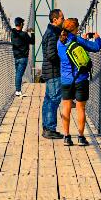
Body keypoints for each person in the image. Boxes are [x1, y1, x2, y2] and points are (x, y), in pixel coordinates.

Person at [56, 18, 101, 146]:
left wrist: (81, 40)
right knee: (80, 108)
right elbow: (96, 47)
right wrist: (97, 38)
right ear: (75, 29)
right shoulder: (77, 40)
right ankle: (81, 137)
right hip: (81, 79)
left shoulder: (59, 42)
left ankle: (66, 137)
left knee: (66, 107)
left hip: (66, 80)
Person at [37, 9, 65, 138]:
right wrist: (64, 59)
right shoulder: (53, 34)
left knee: (48, 100)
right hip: (53, 71)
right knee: (54, 100)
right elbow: (51, 54)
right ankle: (50, 129)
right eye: (62, 18)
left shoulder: (50, 32)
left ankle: (47, 127)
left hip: (49, 71)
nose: (63, 21)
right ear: (55, 20)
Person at [9, 17, 34, 94]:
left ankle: (18, 89)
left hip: (16, 57)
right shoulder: (25, 35)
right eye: (22, 23)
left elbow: (14, 31)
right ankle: (18, 91)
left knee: (17, 74)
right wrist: (32, 33)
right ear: (21, 24)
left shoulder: (12, 34)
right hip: (23, 58)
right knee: (19, 75)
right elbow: (32, 42)